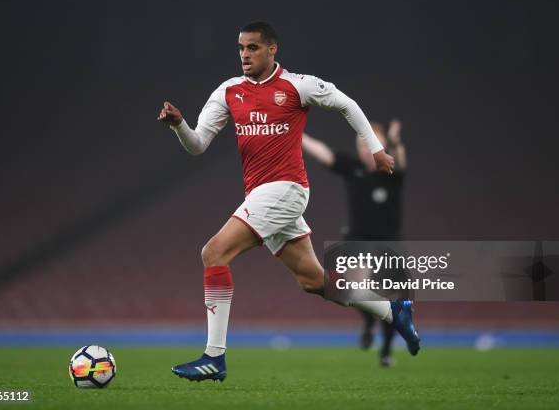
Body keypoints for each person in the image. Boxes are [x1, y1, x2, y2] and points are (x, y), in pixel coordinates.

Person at [157, 21, 419, 382]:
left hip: (286, 189)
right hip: (261, 194)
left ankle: (214, 357)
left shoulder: (297, 85)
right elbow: (198, 144)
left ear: (271, 49)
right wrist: (179, 125)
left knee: (213, 253)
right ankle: (393, 311)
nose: (245, 55)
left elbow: (347, 104)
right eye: (240, 49)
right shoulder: (229, 91)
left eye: (252, 48)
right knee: (313, 280)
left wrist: (376, 150)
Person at [302, 120, 407, 367]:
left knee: (392, 299)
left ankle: (386, 350)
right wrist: (297, 134)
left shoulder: (390, 170)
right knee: (352, 290)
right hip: (358, 243)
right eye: (360, 143)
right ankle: (369, 322)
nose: (364, 148)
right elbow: (325, 153)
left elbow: (401, 161)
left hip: (388, 245)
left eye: (370, 141)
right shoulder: (354, 168)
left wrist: (395, 142)